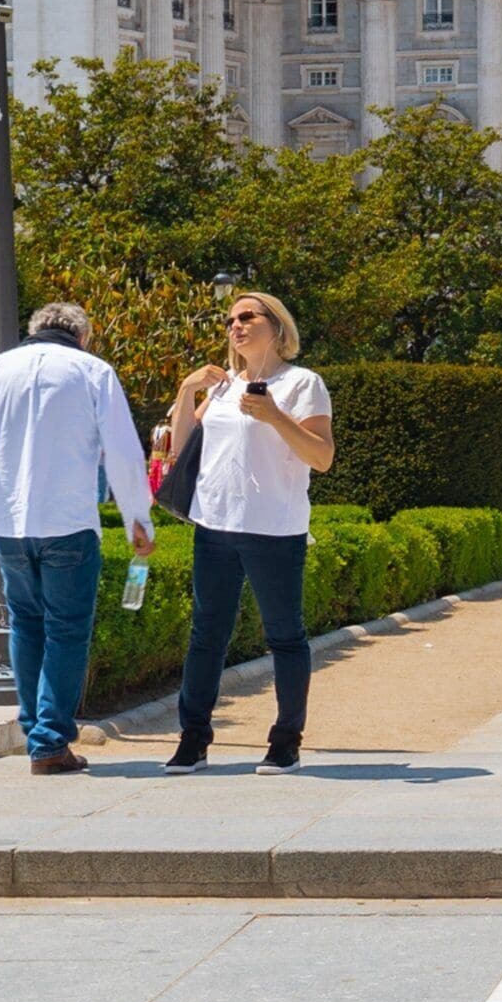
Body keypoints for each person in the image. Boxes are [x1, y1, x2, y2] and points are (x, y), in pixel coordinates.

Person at [0, 300, 157, 774]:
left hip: (8, 523)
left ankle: (36, 731)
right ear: (83, 336)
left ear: (35, 330)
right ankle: (48, 740)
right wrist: (137, 521)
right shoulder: (92, 371)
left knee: (25, 623)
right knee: (66, 628)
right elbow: (122, 452)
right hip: (68, 521)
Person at [163, 288, 334, 773]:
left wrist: (275, 415)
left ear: (276, 327)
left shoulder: (303, 384)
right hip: (214, 525)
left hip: (273, 528)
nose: (235, 326)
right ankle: (192, 739)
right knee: (206, 636)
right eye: (230, 320)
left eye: (247, 317)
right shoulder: (221, 387)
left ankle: (286, 741)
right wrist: (186, 392)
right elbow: (181, 450)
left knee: (284, 636)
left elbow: (321, 458)